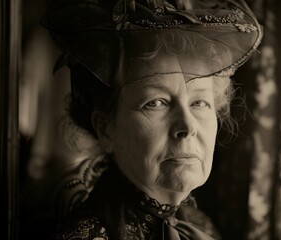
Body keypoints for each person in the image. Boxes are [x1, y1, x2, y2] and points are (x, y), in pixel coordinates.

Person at [40, 0, 262, 239]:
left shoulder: (200, 225)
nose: (187, 127)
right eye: (156, 103)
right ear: (105, 129)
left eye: (199, 103)